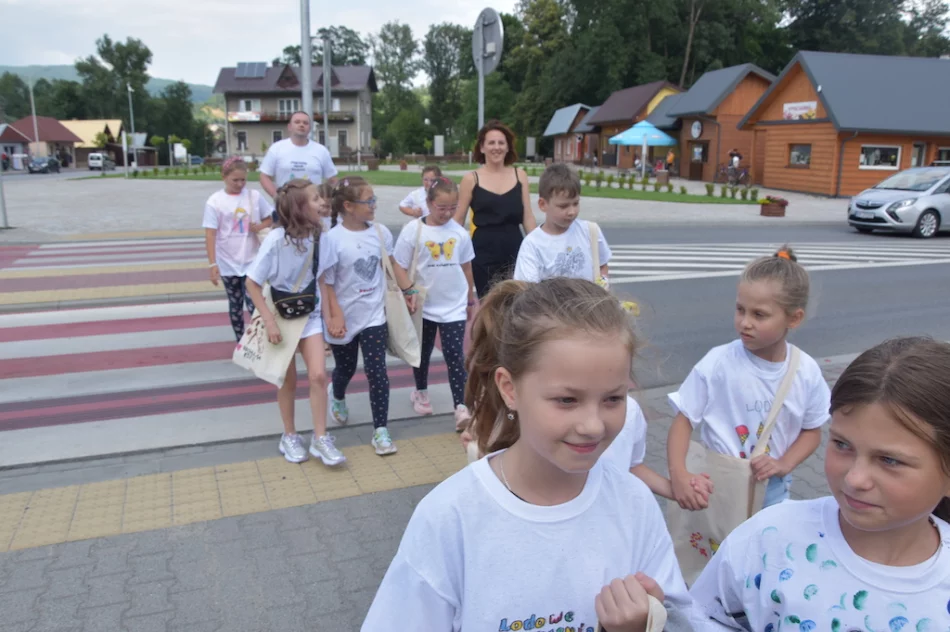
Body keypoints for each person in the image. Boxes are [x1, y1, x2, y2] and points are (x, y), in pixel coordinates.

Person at [362, 277, 692, 630]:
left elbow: (685, 618)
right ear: (509, 389)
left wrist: (649, 622)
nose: (593, 425)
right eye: (567, 400)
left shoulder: (633, 503)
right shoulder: (451, 517)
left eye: (613, 398)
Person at [689, 337, 950, 631]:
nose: (854, 478)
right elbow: (698, 619)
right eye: (841, 444)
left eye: (889, 460)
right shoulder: (767, 539)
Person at [667, 247, 830, 512]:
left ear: (794, 318)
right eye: (740, 310)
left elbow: (812, 430)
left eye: (759, 314)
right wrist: (679, 474)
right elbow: (683, 420)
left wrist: (785, 463)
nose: (745, 322)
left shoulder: (806, 371)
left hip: (773, 490)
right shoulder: (718, 362)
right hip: (718, 485)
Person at [244, 179, 345, 467]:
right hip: (280, 316)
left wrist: (328, 320)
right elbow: (252, 284)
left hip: (310, 316)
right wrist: (269, 323)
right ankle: (289, 434)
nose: (321, 203)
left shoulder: (320, 238)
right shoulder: (276, 241)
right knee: (287, 379)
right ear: (300, 208)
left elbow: (323, 280)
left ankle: (320, 438)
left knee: (317, 376)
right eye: (314, 199)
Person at [323, 176, 417, 456]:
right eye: (369, 201)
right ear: (349, 206)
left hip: (374, 314)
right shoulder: (332, 239)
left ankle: (380, 430)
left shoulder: (380, 233)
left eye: (374, 199)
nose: (374, 205)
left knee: (378, 373)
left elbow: (393, 266)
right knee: (346, 369)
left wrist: (408, 289)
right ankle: (337, 394)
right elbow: (326, 283)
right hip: (344, 316)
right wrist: (334, 316)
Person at [394, 177, 476, 432]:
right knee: (423, 353)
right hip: (424, 305)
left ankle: (460, 407)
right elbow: (398, 265)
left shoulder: (459, 233)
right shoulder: (413, 230)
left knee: (454, 354)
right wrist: (409, 290)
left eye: (453, 207)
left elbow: (466, 266)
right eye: (442, 207)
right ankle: (421, 391)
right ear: (429, 203)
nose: (448, 213)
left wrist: (470, 297)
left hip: (453, 305)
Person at [454, 120, 536, 298]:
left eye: (501, 142)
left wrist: (540, 244)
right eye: (491, 142)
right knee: (489, 306)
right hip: (483, 252)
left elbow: (528, 216)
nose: (496, 147)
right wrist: (451, 252)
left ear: (508, 147)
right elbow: (458, 220)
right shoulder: (471, 179)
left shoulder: (519, 175)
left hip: (515, 249)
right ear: (482, 148)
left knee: (517, 303)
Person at [203, 157, 273, 341]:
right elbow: (210, 233)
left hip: (252, 259)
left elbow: (271, 217)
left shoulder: (254, 196)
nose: (240, 184)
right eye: (235, 180)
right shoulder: (215, 201)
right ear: (224, 177)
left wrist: (259, 226)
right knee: (235, 303)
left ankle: (260, 339)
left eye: (243, 180)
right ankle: (240, 340)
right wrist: (212, 264)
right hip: (227, 260)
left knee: (255, 303)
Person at [514, 163, 611, 286]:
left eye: (576, 203)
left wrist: (603, 283)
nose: (572, 212)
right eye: (563, 206)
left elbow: (602, 265)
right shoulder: (533, 244)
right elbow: (527, 291)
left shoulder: (590, 231)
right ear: (543, 204)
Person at [259, 111, 338, 201]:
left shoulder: (321, 151)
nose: (301, 125)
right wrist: (276, 196)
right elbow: (264, 176)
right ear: (289, 127)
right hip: (285, 207)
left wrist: (324, 199)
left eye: (305, 123)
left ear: (310, 128)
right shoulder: (277, 148)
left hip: (313, 208)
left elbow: (332, 180)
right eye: (297, 122)